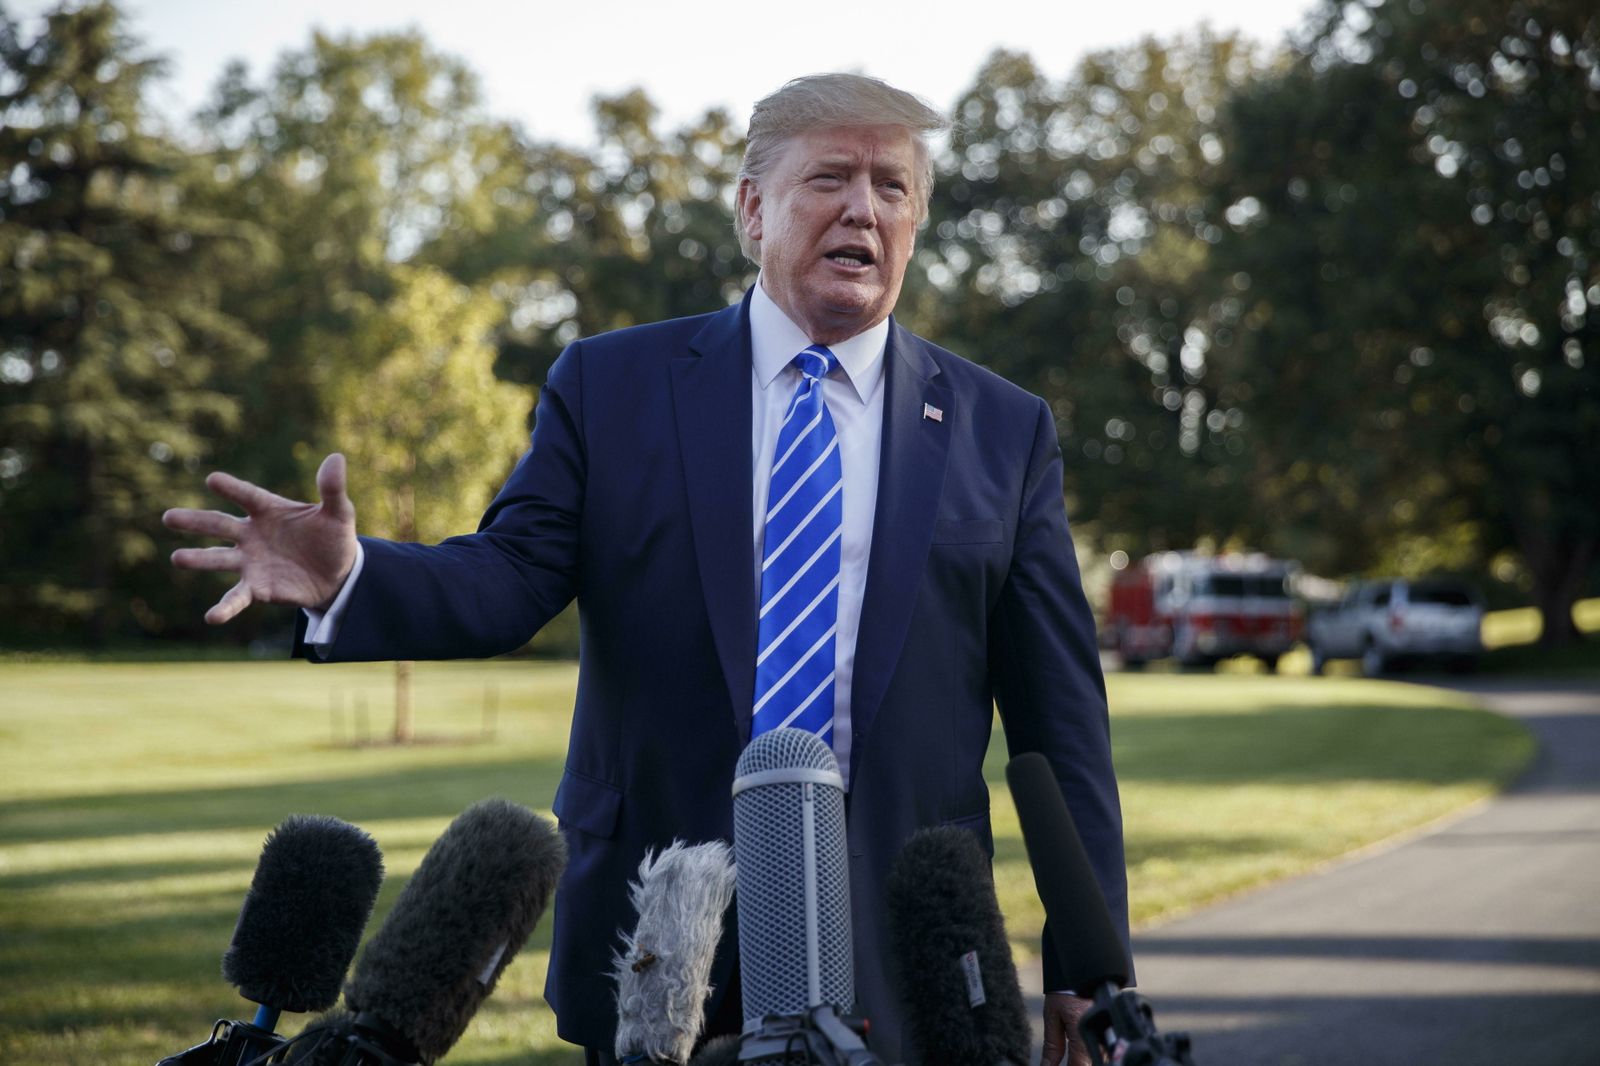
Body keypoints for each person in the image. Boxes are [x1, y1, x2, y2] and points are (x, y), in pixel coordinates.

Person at [165, 73, 1127, 1066]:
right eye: (829, 178)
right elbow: (508, 579)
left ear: (916, 223)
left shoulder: (1003, 429)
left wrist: (1089, 961)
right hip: (661, 935)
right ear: (752, 209)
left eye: (892, 187)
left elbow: (1060, 722)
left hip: (903, 949)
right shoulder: (611, 384)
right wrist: (354, 577)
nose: (862, 209)